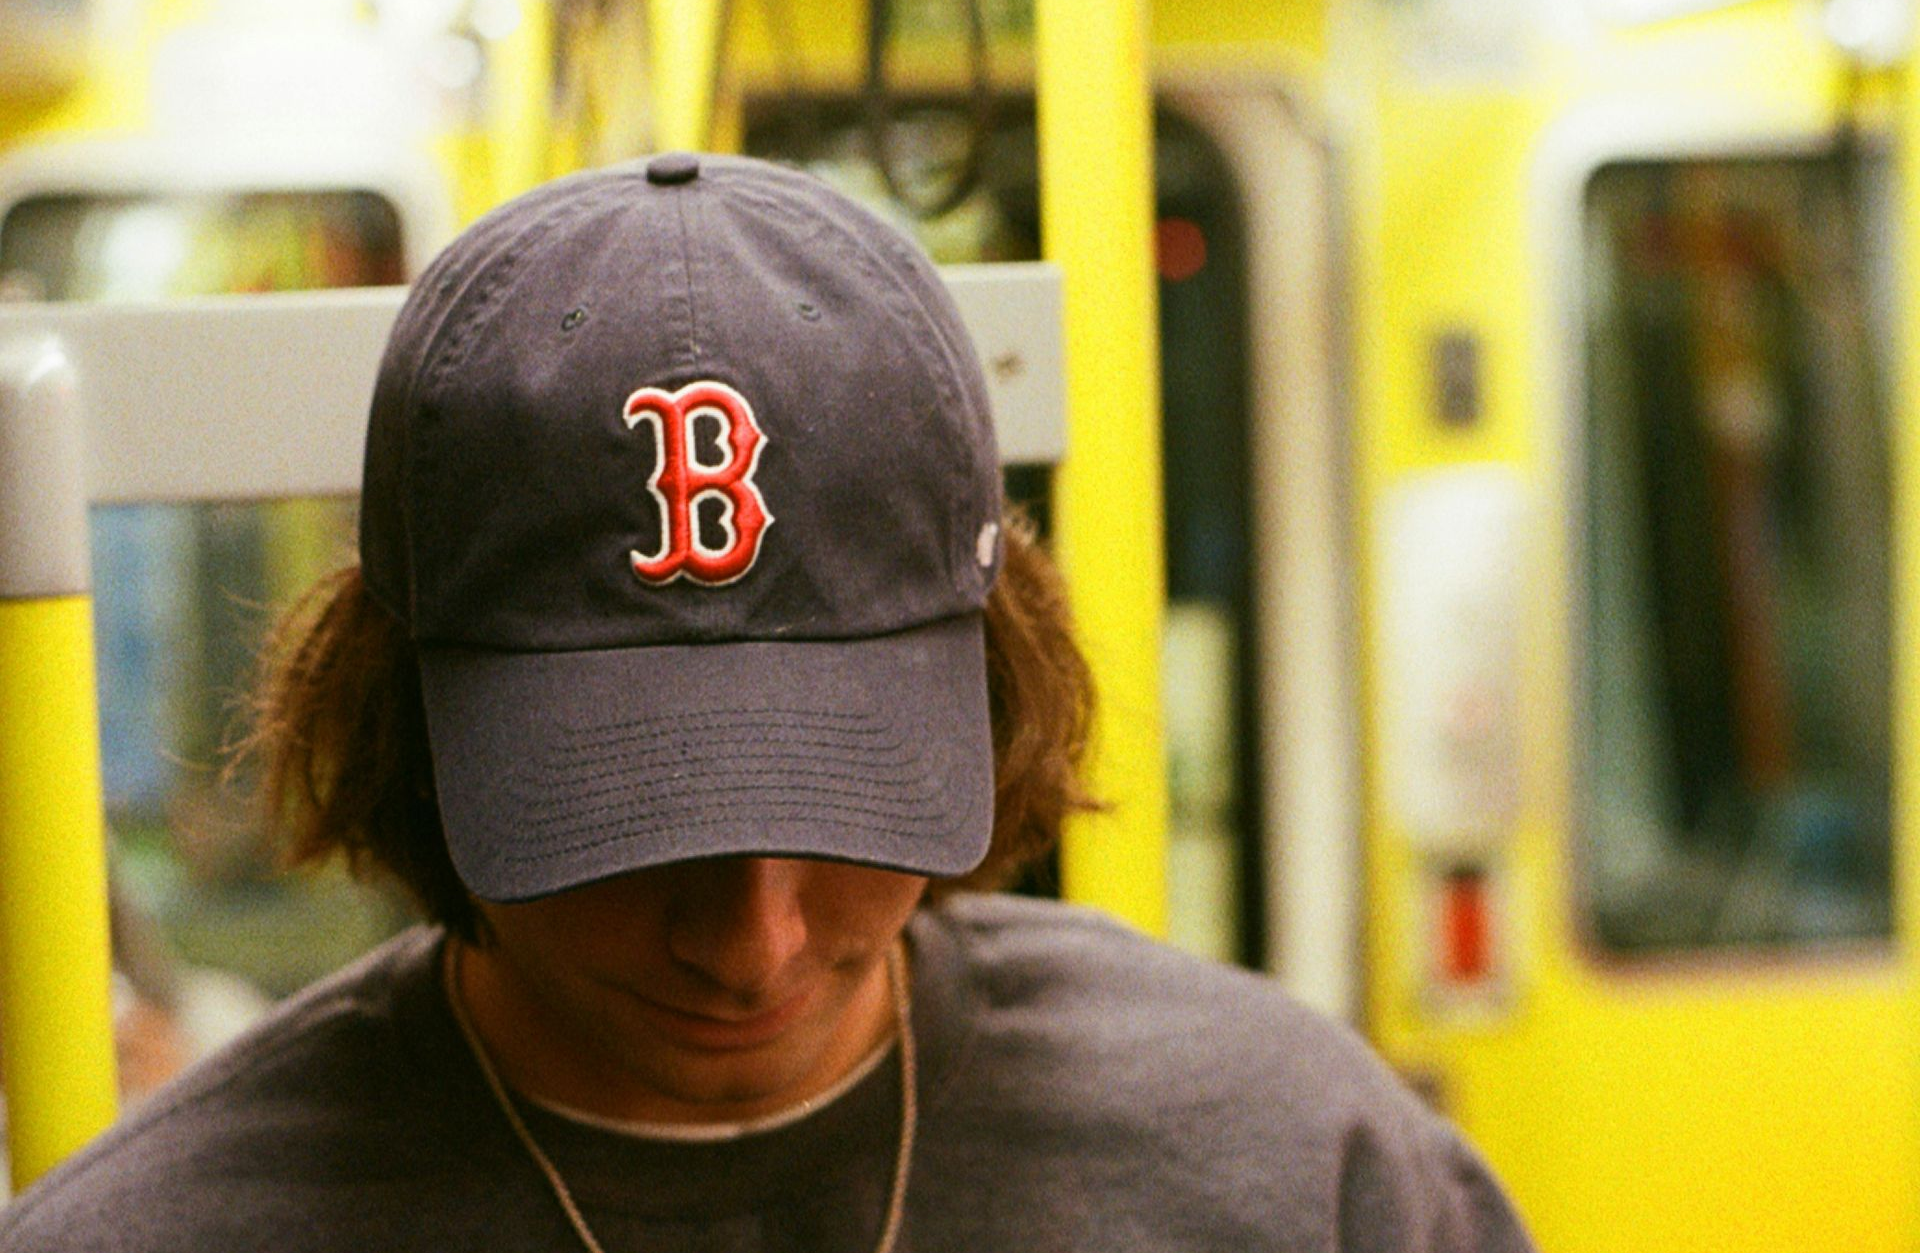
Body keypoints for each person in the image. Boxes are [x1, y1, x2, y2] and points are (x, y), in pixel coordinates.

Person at [0, 153, 1536, 1252]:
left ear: (994, 705)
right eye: (621, 823)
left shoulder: (1294, 1169)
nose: (752, 941)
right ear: (411, 739)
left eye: (843, 796)